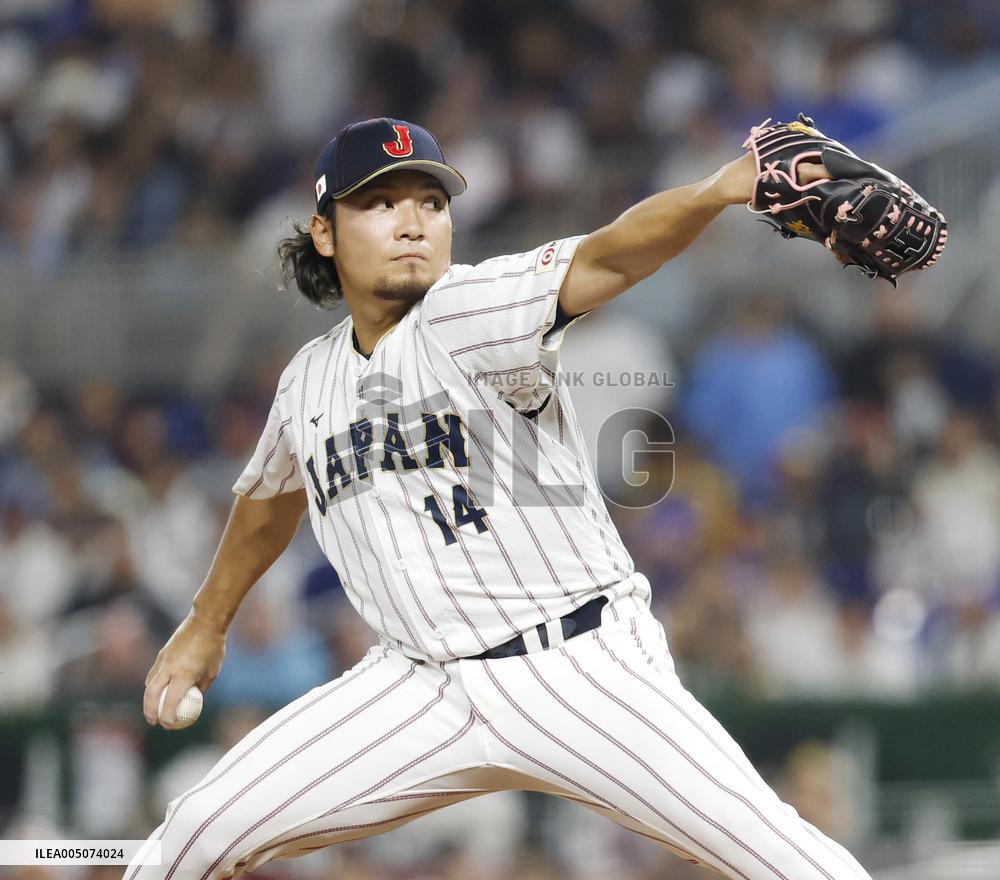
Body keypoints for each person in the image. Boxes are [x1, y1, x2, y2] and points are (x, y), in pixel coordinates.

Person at [127, 117, 872, 880]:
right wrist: (205, 624)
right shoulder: (305, 381)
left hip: (576, 666)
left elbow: (608, 256)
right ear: (325, 232)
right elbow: (269, 498)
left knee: (782, 859)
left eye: (431, 201)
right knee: (195, 831)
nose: (413, 221)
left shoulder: (467, 308)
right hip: (416, 686)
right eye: (380, 203)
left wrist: (715, 191)